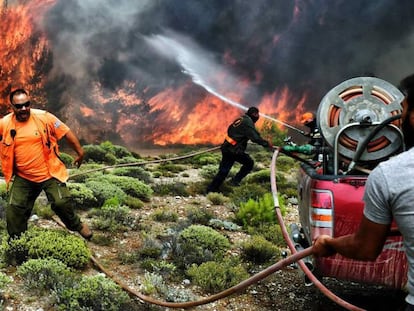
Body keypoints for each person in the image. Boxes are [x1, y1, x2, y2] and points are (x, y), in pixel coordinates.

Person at [312, 74, 414, 311]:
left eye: (403, 110)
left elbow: (365, 248)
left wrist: (330, 243)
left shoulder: (390, 175)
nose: (396, 119)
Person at [0, 88, 92, 240]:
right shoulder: (5, 123)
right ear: (12, 107)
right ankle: (18, 243)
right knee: (14, 209)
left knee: (61, 202)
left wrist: (80, 152)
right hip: (24, 177)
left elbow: (66, 132)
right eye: (19, 106)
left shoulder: (44, 117)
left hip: (49, 173)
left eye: (26, 104)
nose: (23, 109)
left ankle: (77, 225)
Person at [206, 106, 272, 193]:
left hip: (227, 147)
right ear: (254, 114)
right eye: (257, 114)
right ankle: (234, 181)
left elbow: (230, 130)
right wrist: (266, 144)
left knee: (224, 170)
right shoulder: (248, 122)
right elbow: (255, 137)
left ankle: (212, 189)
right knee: (249, 163)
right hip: (234, 150)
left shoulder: (240, 119)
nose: (258, 116)